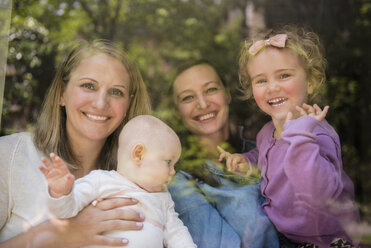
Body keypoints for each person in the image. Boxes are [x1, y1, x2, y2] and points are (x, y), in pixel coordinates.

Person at [218, 25, 360, 247]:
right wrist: (248, 161)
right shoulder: (267, 132)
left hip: (325, 239)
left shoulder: (316, 135)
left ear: (311, 82)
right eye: (261, 80)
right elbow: (267, 155)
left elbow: (319, 195)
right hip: (284, 233)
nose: (272, 87)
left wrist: (301, 136)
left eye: (284, 75)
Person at [0, 39, 151, 247]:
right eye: (88, 86)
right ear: (62, 93)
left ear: (129, 104)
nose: (100, 103)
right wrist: (58, 234)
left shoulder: (138, 178)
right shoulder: (9, 156)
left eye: (116, 92)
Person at [168, 60, 279, 248]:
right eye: (188, 98)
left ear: (227, 93)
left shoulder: (267, 148)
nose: (203, 104)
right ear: (177, 112)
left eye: (210, 90)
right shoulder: (182, 184)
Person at [40, 115, 196, 248]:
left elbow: (177, 235)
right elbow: (65, 212)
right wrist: (61, 193)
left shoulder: (163, 199)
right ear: (139, 154)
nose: (173, 171)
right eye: (168, 162)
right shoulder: (101, 181)